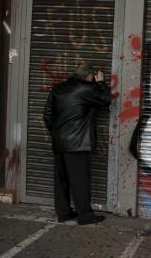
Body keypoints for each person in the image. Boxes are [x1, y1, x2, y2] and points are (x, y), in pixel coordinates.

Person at [43, 62, 111, 225]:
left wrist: (57, 133)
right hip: (78, 144)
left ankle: (64, 213)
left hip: (59, 143)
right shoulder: (86, 88)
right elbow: (106, 100)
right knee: (79, 180)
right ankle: (85, 216)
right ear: (89, 77)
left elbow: (47, 115)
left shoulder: (58, 88)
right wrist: (101, 82)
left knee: (62, 180)